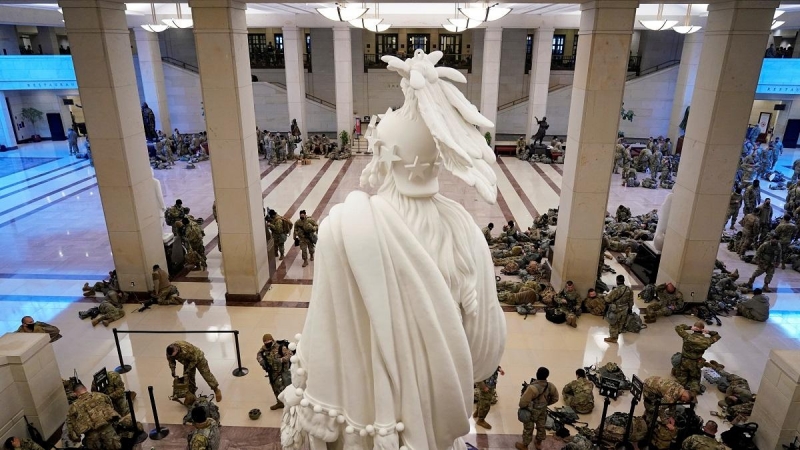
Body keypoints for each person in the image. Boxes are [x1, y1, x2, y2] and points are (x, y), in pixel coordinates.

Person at [280, 51, 506, 450]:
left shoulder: (341, 229)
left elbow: (320, 344)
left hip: (357, 429)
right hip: (435, 430)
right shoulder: (466, 233)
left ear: (380, 158)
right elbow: (485, 352)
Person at [66, 384, 121, 450]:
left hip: (91, 436)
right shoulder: (100, 395)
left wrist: (76, 438)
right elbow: (111, 406)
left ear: (75, 393)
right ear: (85, 388)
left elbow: (70, 425)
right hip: (107, 429)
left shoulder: (73, 407)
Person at [516, 367, 558, 450]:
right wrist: (545, 404)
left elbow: (522, 403)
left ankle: (525, 445)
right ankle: (538, 443)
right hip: (542, 411)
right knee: (541, 426)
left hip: (531, 412)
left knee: (528, 428)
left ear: (537, 374)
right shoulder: (550, 386)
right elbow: (555, 398)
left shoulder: (532, 388)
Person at [674, 322, 721, 393]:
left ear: (694, 328)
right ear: (702, 329)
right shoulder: (707, 341)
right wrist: (708, 332)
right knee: (695, 379)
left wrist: (689, 327)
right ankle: (693, 393)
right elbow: (717, 336)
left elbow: (678, 327)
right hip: (697, 362)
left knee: (682, 376)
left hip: (685, 361)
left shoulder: (687, 336)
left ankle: (679, 391)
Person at [256, 333, 292, 410]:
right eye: (265, 341)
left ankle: (288, 403)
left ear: (272, 339)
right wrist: (262, 361)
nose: (267, 342)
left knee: (283, 388)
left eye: (268, 340)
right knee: (275, 388)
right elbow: (258, 355)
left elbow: (289, 355)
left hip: (281, 372)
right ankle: (280, 403)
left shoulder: (280, 347)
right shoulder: (264, 349)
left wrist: (280, 360)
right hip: (272, 372)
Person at [603, 275, 633, 343]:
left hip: (616, 310)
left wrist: (605, 296)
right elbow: (631, 301)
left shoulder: (616, 290)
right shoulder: (629, 289)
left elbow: (608, 299)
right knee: (621, 323)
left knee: (613, 323)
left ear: (617, 281)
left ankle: (613, 338)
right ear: (623, 281)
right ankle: (617, 335)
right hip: (625, 309)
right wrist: (630, 308)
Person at [474, 365, 504, 429]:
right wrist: (483, 387)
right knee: (486, 403)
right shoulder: (482, 362)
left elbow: (493, 364)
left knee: (481, 399)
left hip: (490, 384)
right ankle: (481, 420)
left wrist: (499, 369)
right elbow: (477, 377)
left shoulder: (488, 359)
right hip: (485, 387)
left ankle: (477, 412)